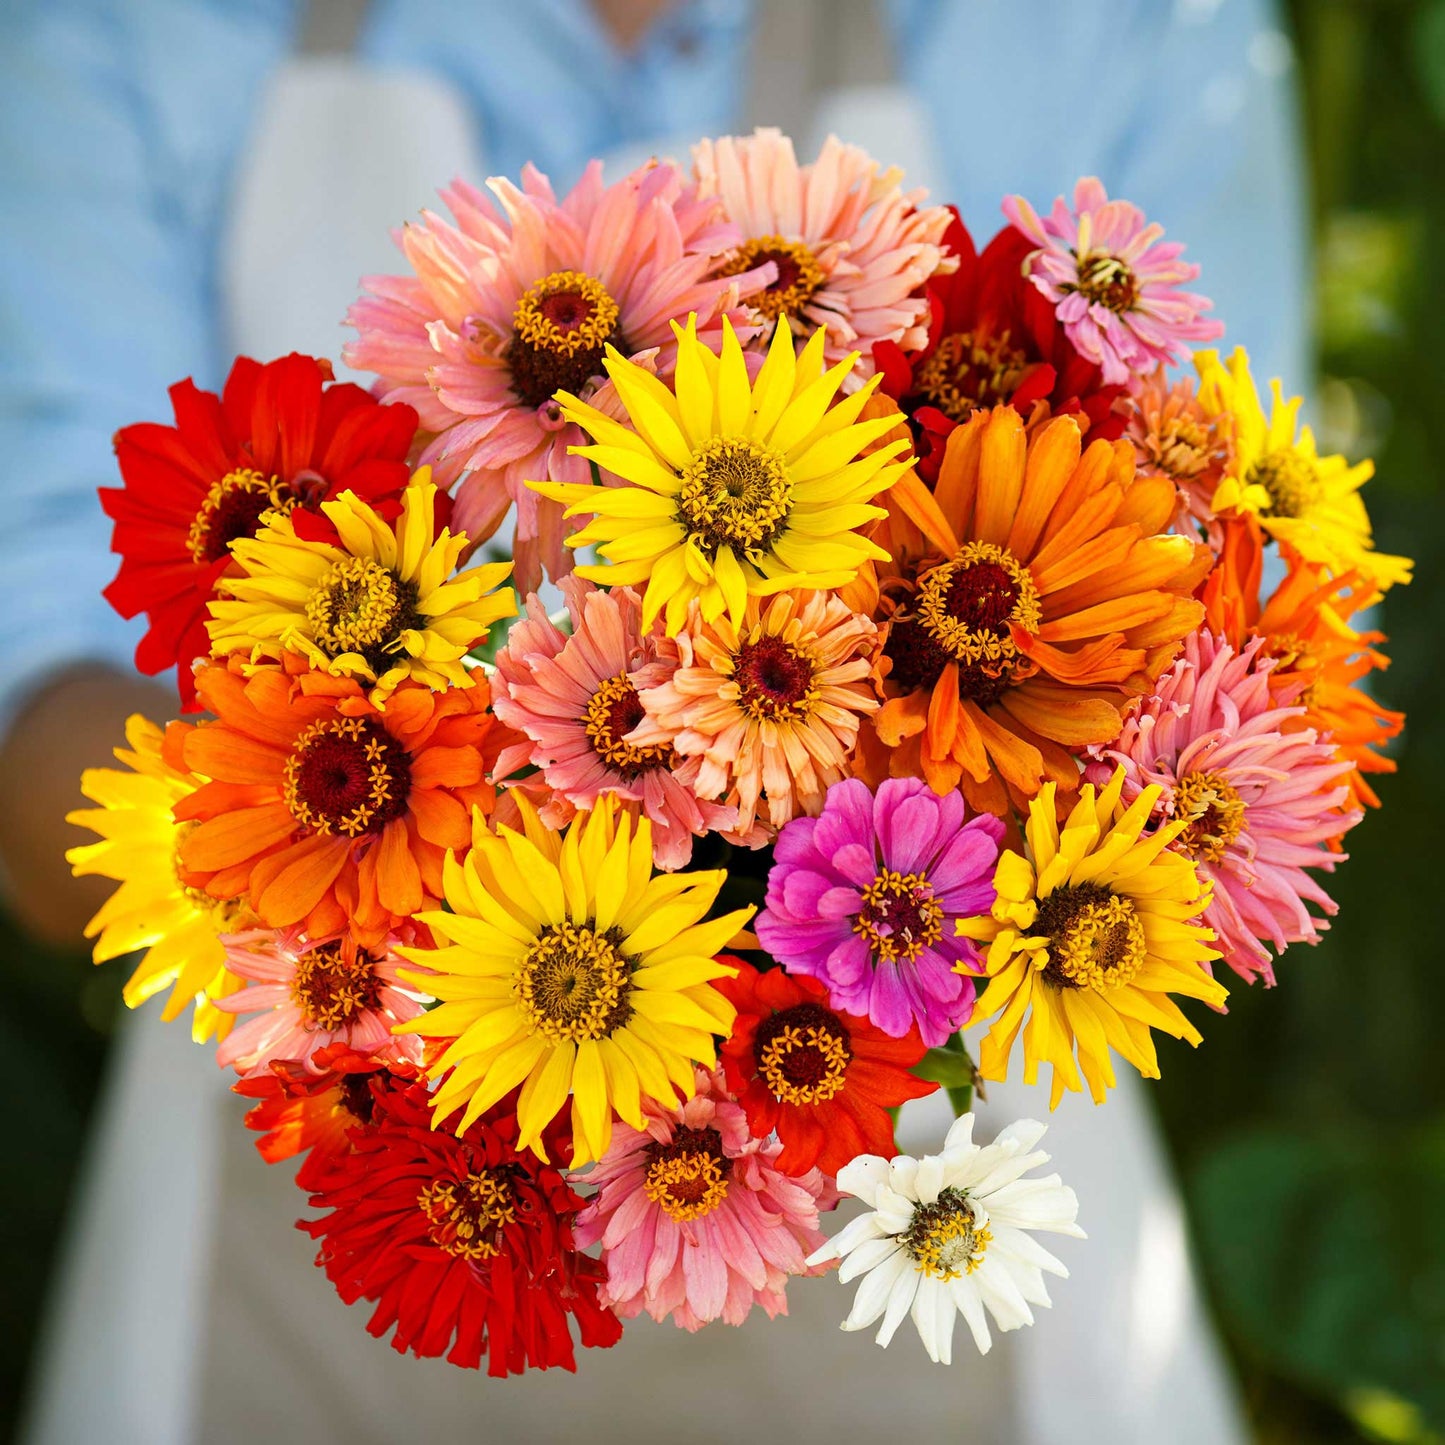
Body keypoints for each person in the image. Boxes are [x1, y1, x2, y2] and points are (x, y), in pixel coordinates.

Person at [3, 2, 1307, 1440]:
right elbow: (39, 700)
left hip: (945, 1203)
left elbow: (1244, 636)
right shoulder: (137, 24)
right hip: (318, 1170)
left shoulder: (1122, 27)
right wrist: (368, 841)